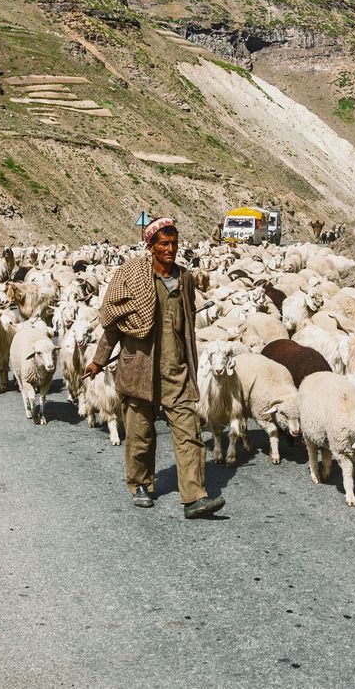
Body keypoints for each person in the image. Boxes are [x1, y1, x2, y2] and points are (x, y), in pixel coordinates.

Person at [84, 218, 225, 519]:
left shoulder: (185, 278)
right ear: (151, 247)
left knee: (189, 432)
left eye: (174, 243)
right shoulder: (132, 277)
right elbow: (114, 324)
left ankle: (194, 496)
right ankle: (140, 484)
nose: (170, 249)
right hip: (139, 368)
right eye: (163, 244)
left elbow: (187, 321)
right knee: (140, 434)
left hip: (176, 370)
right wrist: (99, 360)